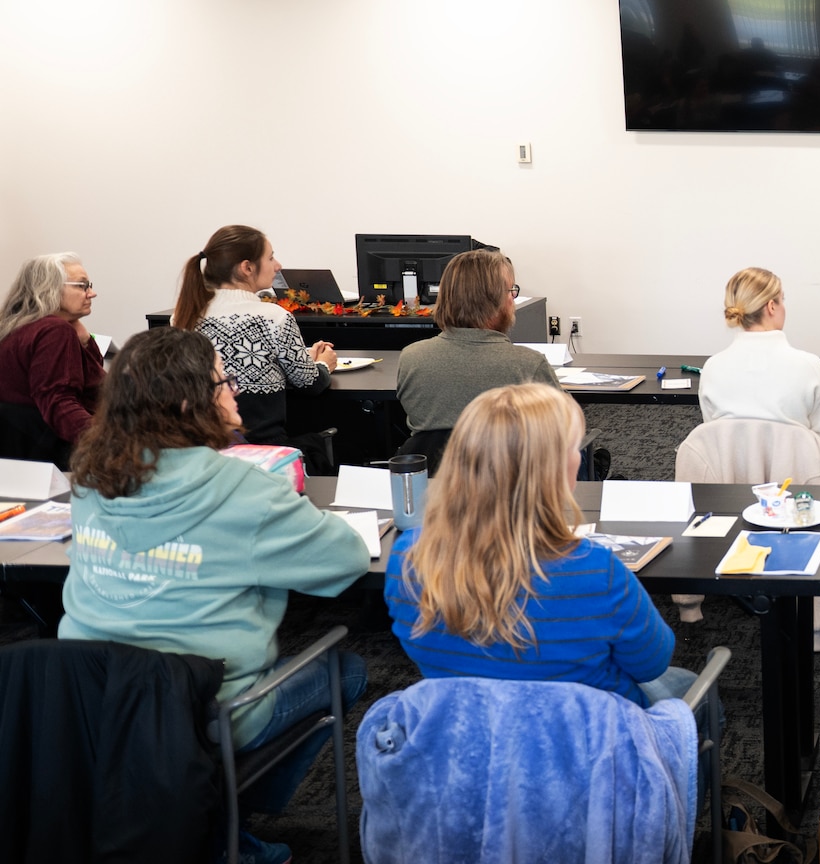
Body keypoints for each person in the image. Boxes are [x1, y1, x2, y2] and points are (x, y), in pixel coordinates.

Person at [58, 327, 370, 864]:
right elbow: (344, 562)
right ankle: (224, 821)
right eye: (224, 382)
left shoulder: (89, 477)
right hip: (207, 707)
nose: (236, 393)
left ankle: (203, 818)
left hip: (91, 702)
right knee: (347, 672)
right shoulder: (247, 490)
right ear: (187, 402)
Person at [385, 382, 695, 706]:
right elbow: (651, 664)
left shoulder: (408, 558)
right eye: (575, 448)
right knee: (687, 685)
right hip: (588, 737)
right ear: (552, 471)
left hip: (466, 736)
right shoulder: (597, 572)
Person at [171, 225, 338, 454]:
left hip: (203, 451)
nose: (278, 266)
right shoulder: (274, 318)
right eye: (270, 258)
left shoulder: (182, 316)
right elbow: (309, 383)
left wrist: (299, 357)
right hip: (266, 453)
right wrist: (322, 364)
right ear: (247, 268)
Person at [396, 247, 559, 464]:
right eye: (511, 291)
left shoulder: (411, 358)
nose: (513, 298)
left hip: (436, 487)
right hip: (512, 486)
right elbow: (563, 430)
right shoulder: (529, 365)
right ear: (497, 301)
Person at [0, 253, 104, 467]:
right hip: (55, 458)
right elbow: (60, 403)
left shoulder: (18, 327)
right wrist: (110, 441)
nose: (91, 293)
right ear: (50, 288)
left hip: (22, 456)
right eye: (82, 286)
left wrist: (84, 341)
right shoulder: (54, 331)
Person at [699, 267, 820, 436]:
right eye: (782, 300)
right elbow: (817, 438)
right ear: (771, 307)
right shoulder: (811, 367)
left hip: (730, 463)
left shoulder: (712, 368)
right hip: (792, 463)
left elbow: (712, 436)